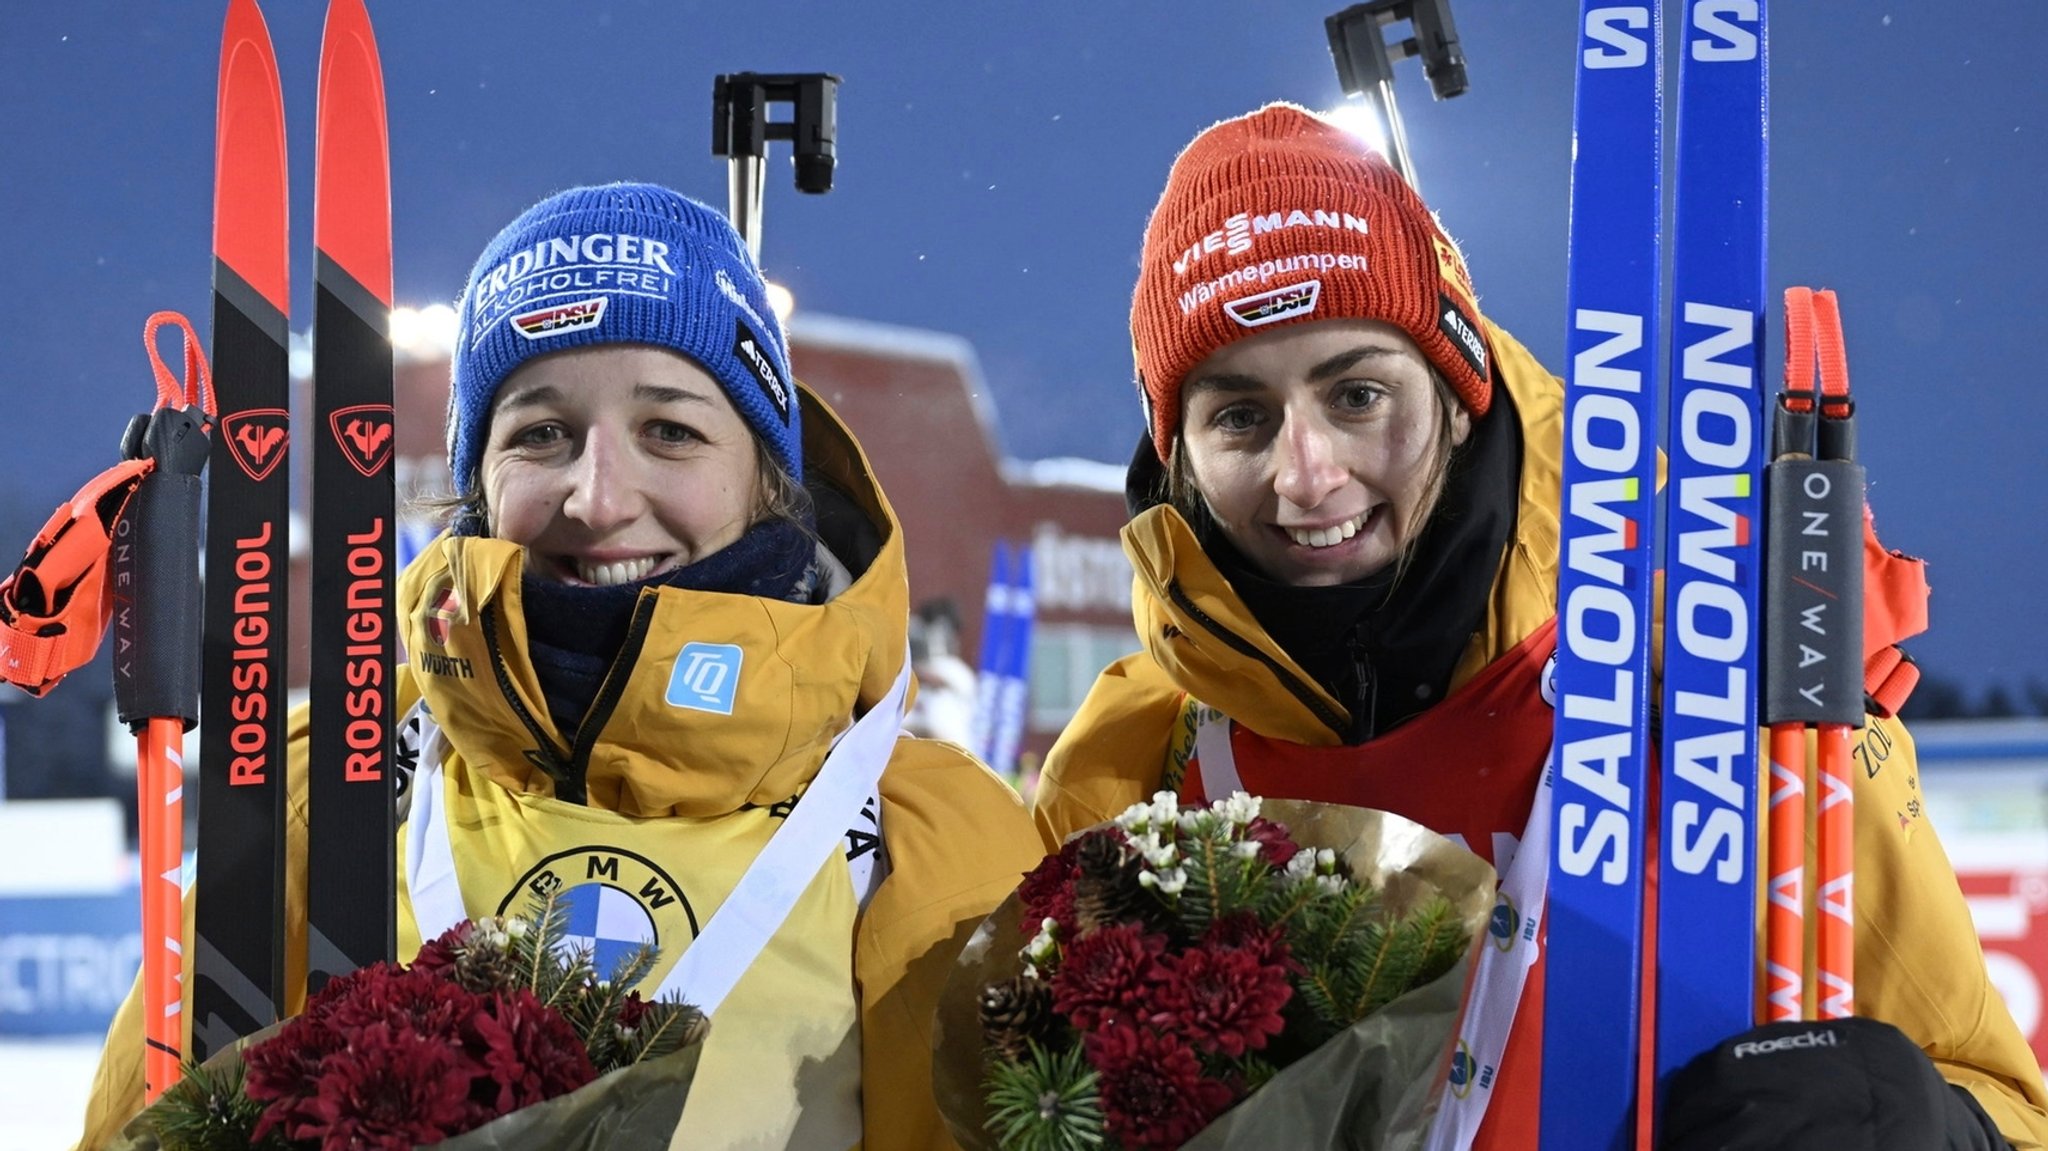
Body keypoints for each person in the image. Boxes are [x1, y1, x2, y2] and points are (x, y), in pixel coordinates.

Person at [1030, 104, 2048, 1150]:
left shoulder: (1707, 678)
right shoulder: (1135, 770)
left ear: (1459, 391)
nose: (1306, 473)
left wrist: (1912, 1123)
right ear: (1179, 459)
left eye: (1358, 394)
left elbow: (2010, 1112)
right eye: (1238, 416)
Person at [73, 183, 1044, 1150]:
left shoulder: (932, 832)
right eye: (541, 433)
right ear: (476, 486)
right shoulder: (326, 788)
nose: (599, 494)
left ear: (765, 479)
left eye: (670, 429)